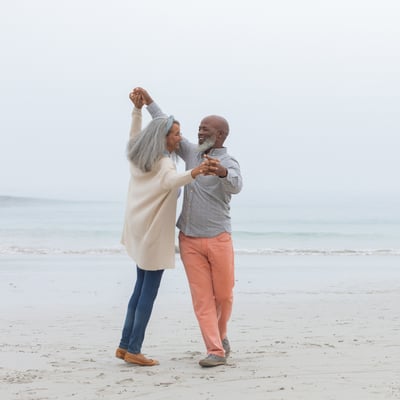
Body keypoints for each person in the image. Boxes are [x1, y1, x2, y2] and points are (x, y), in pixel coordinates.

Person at [136, 87, 243, 368]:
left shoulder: (228, 162)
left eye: (205, 130)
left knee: (224, 295)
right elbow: (166, 124)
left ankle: (221, 336)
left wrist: (220, 171)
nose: (199, 133)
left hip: (219, 238)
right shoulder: (192, 153)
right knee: (202, 299)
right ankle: (215, 351)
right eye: (198, 129)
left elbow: (236, 185)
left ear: (220, 135)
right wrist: (149, 102)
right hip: (190, 240)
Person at [115, 89, 208, 367]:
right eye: (176, 134)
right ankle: (134, 349)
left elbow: (134, 135)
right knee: (148, 293)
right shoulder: (164, 162)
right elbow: (170, 181)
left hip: (138, 229)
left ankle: (123, 345)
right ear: (163, 137)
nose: (180, 139)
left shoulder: (138, 155)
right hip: (154, 234)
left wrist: (137, 111)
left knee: (138, 288)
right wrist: (195, 172)